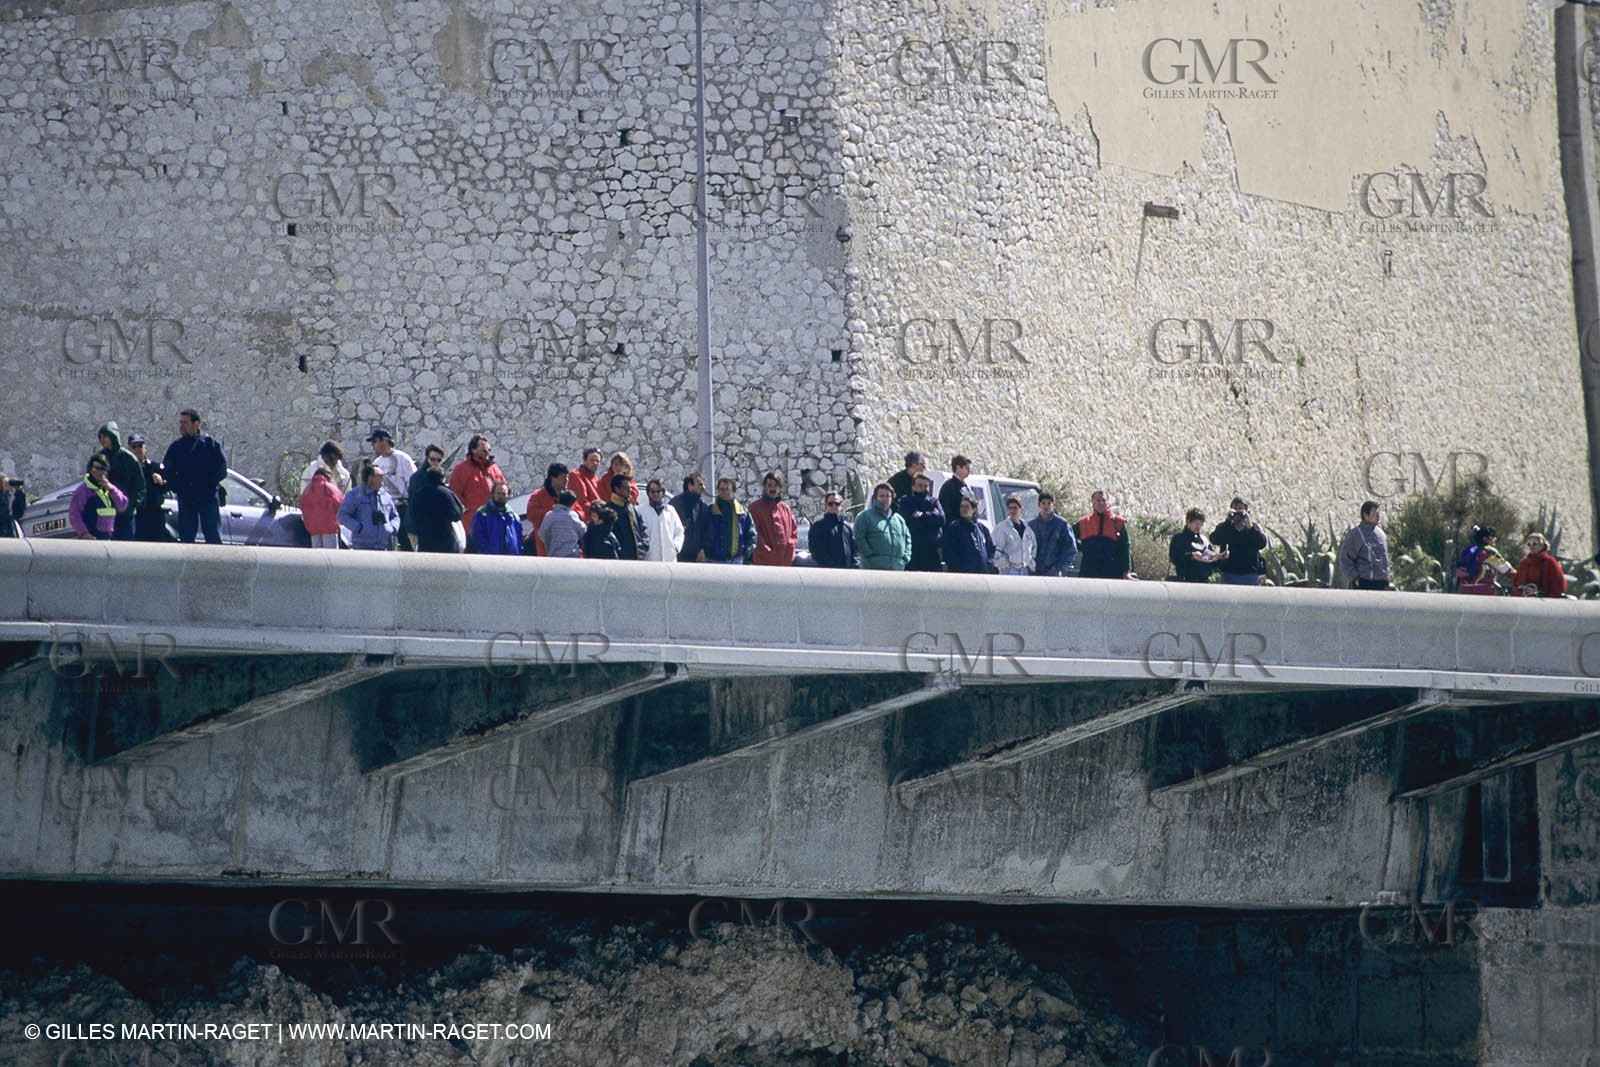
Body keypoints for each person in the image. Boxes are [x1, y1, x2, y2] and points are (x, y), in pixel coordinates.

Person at [161, 409, 227, 544]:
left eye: (185, 422)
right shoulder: (177, 447)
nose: (181, 426)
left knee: (213, 536)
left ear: (196, 424)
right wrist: (178, 487)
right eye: (180, 422)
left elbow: (222, 468)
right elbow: (167, 471)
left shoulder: (210, 444)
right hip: (187, 499)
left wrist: (209, 483)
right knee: (186, 538)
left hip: (207, 498)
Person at [449, 434, 506, 548]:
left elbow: (504, 490)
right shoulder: (462, 469)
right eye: (484, 451)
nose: (487, 453)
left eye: (488, 450)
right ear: (473, 450)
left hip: (494, 526)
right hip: (472, 527)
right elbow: (455, 495)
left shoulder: (494, 469)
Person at [366, 429, 416, 551]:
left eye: (374, 441)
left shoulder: (402, 458)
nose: (372, 445)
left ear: (384, 441)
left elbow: (413, 481)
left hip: (402, 506)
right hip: (384, 508)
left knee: (405, 542)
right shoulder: (376, 463)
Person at [95, 421, 145, 541]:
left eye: (105, 436)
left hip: (126, 515)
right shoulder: (99, 458)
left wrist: (132, 505)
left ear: (113, 436)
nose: (102, 440)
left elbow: (140, 486)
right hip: (106, 515)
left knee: (126, 551)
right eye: (100, 437)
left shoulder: (129, 458)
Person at [338, 463, 401, 550]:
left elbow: (395, 516)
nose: (383, 479)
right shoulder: (354, 495)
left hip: (383, 545)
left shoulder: (385, 495)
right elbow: (342, 515)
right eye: (380, 476)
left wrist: (392, 528)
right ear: (370, 478)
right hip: (362, 545)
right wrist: (359, 527)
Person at [1075, 489, 1132, 579]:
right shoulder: (1084, 523)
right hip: (1088, 571)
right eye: (1098, 500)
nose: (1101, 503)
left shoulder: (1118, 523)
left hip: (1112, 572)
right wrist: (1082, 547)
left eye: (1104, 500)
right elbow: (1068, 539)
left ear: (1108, 503)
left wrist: (1126, 571)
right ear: (1092, 502)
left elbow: (1126, 547)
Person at [68, 455, 128, 541]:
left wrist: (112, 490)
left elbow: (123, 505)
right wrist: (84, 533)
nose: (99, 472)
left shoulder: (109, 488)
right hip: (91, 539)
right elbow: (74, 514)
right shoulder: (83, 490)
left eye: (102, 469)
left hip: (108, 538)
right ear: (90, 469)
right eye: (96, 468)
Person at [855, 482, 912, 570]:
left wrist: (905, 558)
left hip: (897, 568)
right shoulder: (864, 516)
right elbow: (859, 538)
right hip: (873, 569)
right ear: (875, 498)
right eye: (881, 496)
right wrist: (870, 556)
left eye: (888, 496)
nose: (885, 498)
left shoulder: (899, 519)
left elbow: (908, 540)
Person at [1210, 498, 1267, 586]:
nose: (1238, 512)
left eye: (1241, 509)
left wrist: (1250, 526)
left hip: (1249, 574)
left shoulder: (1253, 528)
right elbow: (1214, 539)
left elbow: (1262, 544)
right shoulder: (1226, 527)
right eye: (1235, 509)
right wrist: (1227, 521)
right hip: (1229, 573)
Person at [698, 476, 754, 564]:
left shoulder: (743, 512)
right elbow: (701, 532)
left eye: (727, 489)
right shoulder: (710, 511)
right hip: (713, 560)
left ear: (733, 491)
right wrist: (702, 550)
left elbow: (751, 536)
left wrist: (745, 554)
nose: (724, 492)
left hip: (736, 561)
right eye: (721, 489)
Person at [1339, 501, 1393, 590]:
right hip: (1364, 583)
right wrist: (1355, 578)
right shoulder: (1355, 534)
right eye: (1375, 513)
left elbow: (1385, 560)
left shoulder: (1381, 535)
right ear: (1365, 515)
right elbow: (1345, 558)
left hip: (1382, 584)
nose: (1378, 516)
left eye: (1378, 513)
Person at [748, 471, 799, 566]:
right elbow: (755, 535)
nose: (772, 488)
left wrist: (789, 551)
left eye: (775, 485)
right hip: (763, 562)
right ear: (764, 487)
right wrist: (769, 554)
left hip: (785, 562)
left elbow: (793, 533)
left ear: (780, 488)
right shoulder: (755, 508)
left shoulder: (786, 509)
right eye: (769, 485)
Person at [896, 473, 945, 572]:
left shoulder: (934, 501)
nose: (923, 488)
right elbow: (909, 521)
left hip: (932, 550)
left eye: (926, 486)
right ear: (913, 486)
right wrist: (931, 517)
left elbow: (941, 519)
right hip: (914, 550)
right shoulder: (906, 501)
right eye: (920, 485)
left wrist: (922, 515)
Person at [410, 466, 464, 553]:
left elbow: (413, 514)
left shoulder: (419, 494)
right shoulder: (447, 493)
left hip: (425, 541)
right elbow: (457, 515)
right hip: (445, 540)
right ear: (442, 478)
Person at [127, 435, 170, 542]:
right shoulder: (127, 469)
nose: (138, 449)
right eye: (134, 446)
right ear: (129, 449)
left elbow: (169, 486)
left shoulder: (155, 467)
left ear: (145, 448)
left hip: (154, 514)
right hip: (137, 514)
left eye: (140, 446)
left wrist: (162, 481)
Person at [404, 444, 446, 550]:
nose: (436, 463)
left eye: (439, 460)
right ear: (427, 459)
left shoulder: (438, 476)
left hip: (432, 527)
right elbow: (415, 503)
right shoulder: (417, 478)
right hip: (417, 527)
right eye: (433, 459)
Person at [524, 463, 571, 555]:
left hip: (567, 548)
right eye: (563, 477)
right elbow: (532, 514)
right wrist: (555, 514)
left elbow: (578, 513)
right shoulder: (538, 496)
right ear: (553, 478)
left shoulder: (569, 496)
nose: (567, 480)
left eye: (567, 477)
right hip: (546, 547)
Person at [942, 494, 995, 575]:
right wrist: (959, 567)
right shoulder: (954, 528)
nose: (963, 509)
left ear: (974, 509)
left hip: (982, 575)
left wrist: (989, 565)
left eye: (967, 506)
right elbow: (948, 551)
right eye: (961, 506)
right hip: (962, 576)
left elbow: (991, 549)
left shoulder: (982, 529)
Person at [1029, 493, 1078, 577]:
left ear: (1053, 505)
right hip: (1034, 571)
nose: (1046, 506)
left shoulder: (1061, 524)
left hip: (1054, 572)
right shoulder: (1031, 525)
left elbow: (1071, 548)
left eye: (1049, 503)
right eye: (1043, 503)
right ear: (1038, 505)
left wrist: (1059, 566)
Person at [1455, 525, 1513, 595]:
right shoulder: (1489, 552)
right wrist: (1520, 578)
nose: (1495, 539)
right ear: (1485, 539)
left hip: (1465, 590)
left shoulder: (1468, 550)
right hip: (1484, 592)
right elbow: (1506, 570)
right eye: (1493, 537)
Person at [471, 480, 524, 556]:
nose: (501, 496)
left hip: (512, 561)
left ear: (508, 496)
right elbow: (478, 538)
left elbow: (519, 539)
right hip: (490, 561)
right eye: (498, 493)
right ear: (493, 494)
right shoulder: (482, 514)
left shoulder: (514, 517)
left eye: (504, 494)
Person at [605, 473, 649, 560]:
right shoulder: (608, 510)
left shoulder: (632, 508)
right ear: (616, 489)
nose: (629, 490)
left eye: (630, 488)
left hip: (637, 559)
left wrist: (643, 547)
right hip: (620, 561)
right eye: (626, 488)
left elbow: (643, 530)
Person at [639, 478, 685, 562]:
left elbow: (679, 532)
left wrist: (675, 547)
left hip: (669, 559)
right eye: (652, 491)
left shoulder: (670, 510)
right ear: (648, 493)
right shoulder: (640, 511)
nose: (655, 494)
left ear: (663, 492)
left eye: (658, 491)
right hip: (649, 559)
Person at [1169, 508, 1220, 583]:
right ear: (1188, 522)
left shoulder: (1204, 540)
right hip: (1185, 580)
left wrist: (1219, 556)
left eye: (1200, 524)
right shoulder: (1178, 539)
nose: (1198, 527)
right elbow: (1175, 558)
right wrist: (1191, 556)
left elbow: (1213, 560)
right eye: (1196, 523)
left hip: (1204, 581)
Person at [298, 468, 345, 549]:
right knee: (331, 557)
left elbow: (302, 505)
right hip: (329, 528)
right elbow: (341, 504)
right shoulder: (331, 488)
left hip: (313, 529)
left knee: (316, 558)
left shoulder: (308, 489)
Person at [808, 492, 857, 568]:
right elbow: (816, 551)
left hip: (847, 573)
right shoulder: (818, 527)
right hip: (827, 573)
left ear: (840, 506)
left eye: (837, 504)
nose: (834, 506)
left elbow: (854, 550)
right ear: (825, 506)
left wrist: (854, 566)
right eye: (830, 504)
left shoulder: (847, 527)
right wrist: (831, 567)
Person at [992, 495, 1036, 576]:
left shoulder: (1028, 529)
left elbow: (1033, 548)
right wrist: (1006, 564)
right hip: (1009, 570)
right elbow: (995, 551)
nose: (1012, 511)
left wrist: (1031, 564)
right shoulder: (1001, 528)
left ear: (1021, 509)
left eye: (1015, 508)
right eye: (1010, 508)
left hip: (1025, 570)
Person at [671, 472, 711, 562]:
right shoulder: (675, 505)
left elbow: (707, 531)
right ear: (690, 485)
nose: (703, 488)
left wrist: (703, 550)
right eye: (700, 485)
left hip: (696, 557)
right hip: (678, 555)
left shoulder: (703, 507)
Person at [1513, 532, 1567, 598]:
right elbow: (1516, 584)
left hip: (1544, 602)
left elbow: (1559, 586)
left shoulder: (1550, 562)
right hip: (1525, 601)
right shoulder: (1524, 563)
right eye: (1529, 544)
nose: (1531, 546)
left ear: (1542, 545)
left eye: (1534, 544)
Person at [539, 490, 586, 559]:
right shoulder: (572, 515)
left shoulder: (549, 516)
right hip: (572, 555)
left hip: (554, 555)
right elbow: (583, 529)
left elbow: (542, 533)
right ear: (572, 503)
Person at [568, 447, 605, 513]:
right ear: (584, 461)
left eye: (597, 461)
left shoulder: (596, 479)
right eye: (592, 460)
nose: (595, 463)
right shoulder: (576, 475)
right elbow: (581, 501)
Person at [938, 455, 973, 525]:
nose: (969, 471)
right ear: (958, 467)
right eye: (967, 468)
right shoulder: (948, 487)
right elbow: (946, 511)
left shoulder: (966, 487)